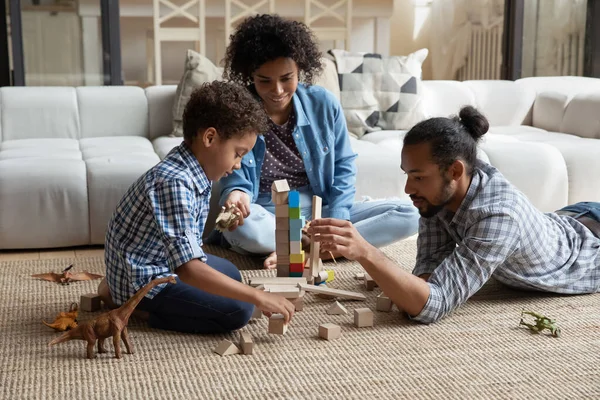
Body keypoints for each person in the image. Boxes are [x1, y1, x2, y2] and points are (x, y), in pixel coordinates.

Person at [308, 105, 600, 324]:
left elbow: (433, 306)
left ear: (455, 172)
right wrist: (412, 289)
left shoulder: (498, 217)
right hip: (569, 218)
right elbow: (428, 269)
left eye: (418, 177)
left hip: (591, 247)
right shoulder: (439, 194)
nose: (408, 188)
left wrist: (366, 252)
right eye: (407, 175)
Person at [206, 14, 419, 268]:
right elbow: (232, 166)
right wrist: (236, 193)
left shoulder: (323, 103)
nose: (277, 90)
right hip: (265, 213)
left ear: (300, 70)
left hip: (320, 209)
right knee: (239, 229)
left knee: (411, 214)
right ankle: (319, 246)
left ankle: (302, 248)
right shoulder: (237, 110)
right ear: (250, 75)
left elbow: (343, 164)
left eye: (287, 78)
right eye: (265, 80)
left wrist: (338, 220)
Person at [97, 81, 296, 334]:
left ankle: (118, 289)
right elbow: (189, 269)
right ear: (210, 137)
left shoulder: (192, 167)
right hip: (144, 280)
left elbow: (186, 231)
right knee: (239, 311)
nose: (238, 165)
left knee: (231, 273)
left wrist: (226, 221)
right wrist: (257, 297)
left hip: (160, 261)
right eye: (238, 153)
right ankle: (135, 307)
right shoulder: (174, 182)